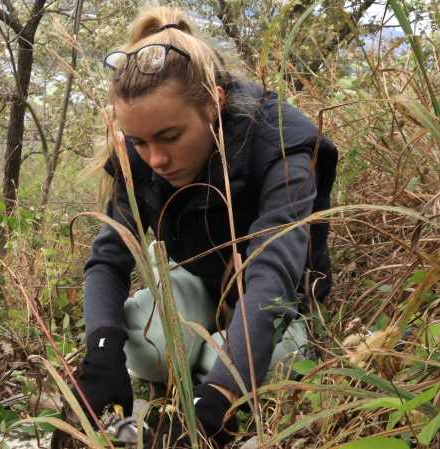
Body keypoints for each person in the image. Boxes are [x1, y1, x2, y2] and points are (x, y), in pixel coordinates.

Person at [73, 6, 337, 448]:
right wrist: (101, 354)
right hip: (198, 279)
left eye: (170, 137)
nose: (155, 159)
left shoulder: (282, 140)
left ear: (215, 102)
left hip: (272, 294)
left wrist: (218, 398)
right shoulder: (142, 153)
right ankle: (202, 355)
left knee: (280, 366)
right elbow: (108, 258)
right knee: (142, 346)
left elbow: (272, 274)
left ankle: (213, 363)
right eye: (139, 142)